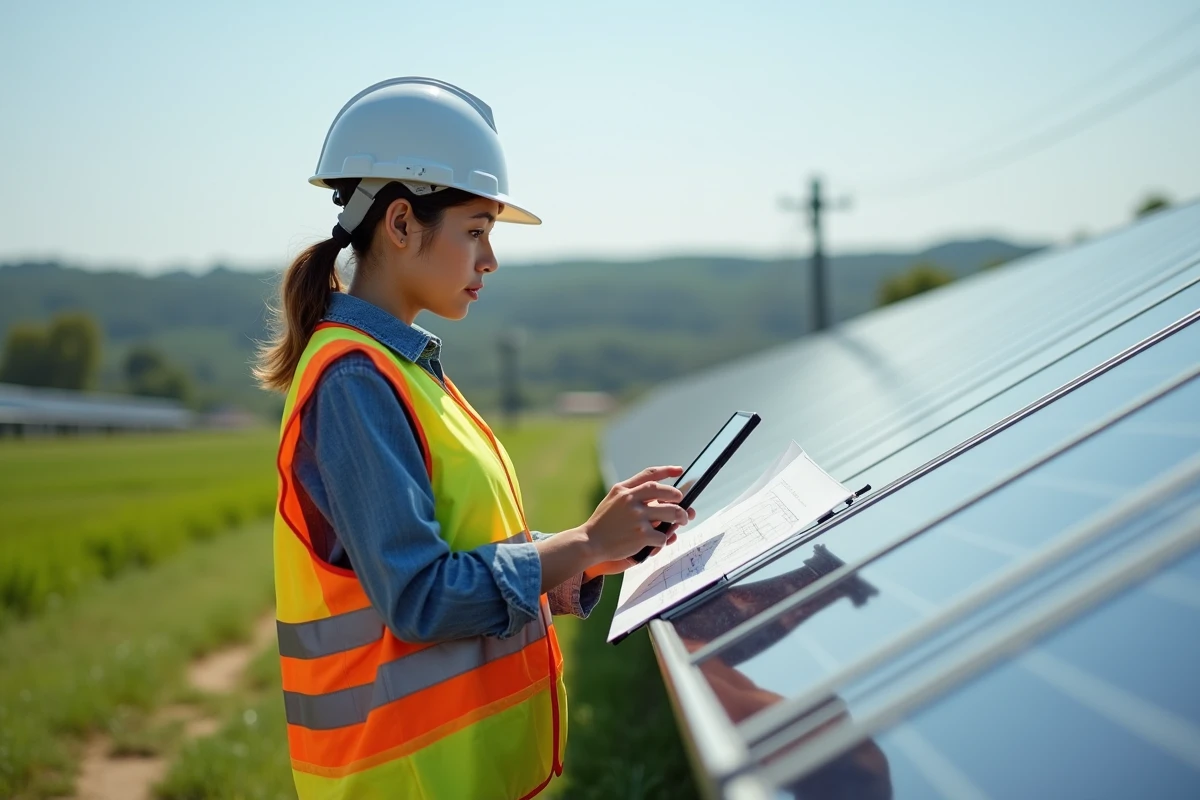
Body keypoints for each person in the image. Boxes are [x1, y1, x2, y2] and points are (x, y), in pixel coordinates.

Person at [254, 77, 693, 800]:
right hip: (404, 783)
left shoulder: (401, 369)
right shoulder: (355, 381)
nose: (490, 260)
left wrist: (583, 560)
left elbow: (456, 554)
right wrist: (579, 542)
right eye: (475, 231)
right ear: (401, 224)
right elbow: (423, 596)